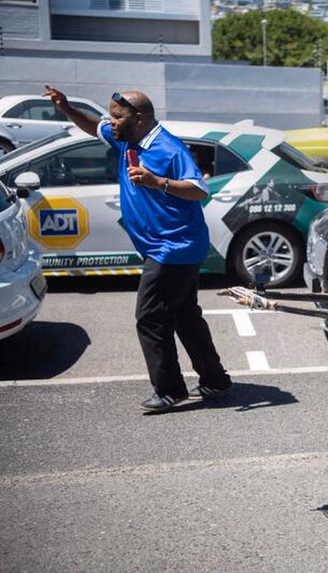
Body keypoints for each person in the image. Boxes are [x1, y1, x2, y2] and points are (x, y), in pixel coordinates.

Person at [43, 86, 233, 413]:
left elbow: (199, 189)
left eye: (117, 117)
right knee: (184, 315)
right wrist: (67, 108)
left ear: (140, 118)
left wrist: (157, 181)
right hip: (164, 247)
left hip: (173, 248)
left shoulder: (168, 148)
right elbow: (94, 126)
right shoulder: (128, 137)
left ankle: (170, 389)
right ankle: (215, 379)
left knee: (149, 316)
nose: (111, 122)